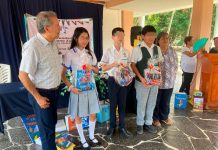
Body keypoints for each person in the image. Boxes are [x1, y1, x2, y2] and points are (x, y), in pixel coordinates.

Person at [19, 11, 62, 150]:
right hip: (41, 94)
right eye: (57, 24)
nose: (60, 27)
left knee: (51, 126)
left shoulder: (53, 43)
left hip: (54, 92)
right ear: (47, 28)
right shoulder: (32, 46)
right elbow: (23, 75)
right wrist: (38, 97)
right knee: (46, 132)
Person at [61, 27, 100, 150]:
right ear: (75, 38)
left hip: (91, 87)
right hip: (78, 89)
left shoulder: (90, 53)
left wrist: (91, 68)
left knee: (93, 113)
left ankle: (92, 136)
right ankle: (83, 139)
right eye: (82, 37)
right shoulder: (70, 54)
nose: (85, 40)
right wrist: (71, 87)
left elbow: (97, 71)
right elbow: (62, 74)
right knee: (79, 116)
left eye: (87, 38)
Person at [101, 27, 132, 139]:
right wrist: (112, 65)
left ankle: (123, 127)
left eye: (122, 35)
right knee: (113, 105)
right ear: (113, 37)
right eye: (118, 35)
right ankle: (112, 127)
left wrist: (130, 79)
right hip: (112, 81)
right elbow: (102, 68)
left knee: (123, 105)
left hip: (124, 82)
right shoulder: (108, 51)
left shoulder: (126, 52)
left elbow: (129, 68)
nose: (121, 37)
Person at [131, 25, 163, 135]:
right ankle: (140, 124)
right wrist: (141, 78)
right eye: (148, 35)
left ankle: (148, 123)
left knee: (152, 102)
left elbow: (159, 63)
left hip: (154, 81)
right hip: (142, 82)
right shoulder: (138, 48)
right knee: (142, 103)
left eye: (153, 35)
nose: (151, 37)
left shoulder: (157, 48)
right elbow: (133, 65)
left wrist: (160, 77)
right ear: (142, 36)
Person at [153, 32, 178, 127]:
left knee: (166, 101)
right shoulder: (155, 50)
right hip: (157, 81)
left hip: (169, 81)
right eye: (163, 38)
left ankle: (164, 117)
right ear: (158, 40)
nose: (165, 40)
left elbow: (176, 64)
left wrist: (173, 75)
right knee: (156, 101)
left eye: (167, 38)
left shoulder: (172, 50)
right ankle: (155, 118)